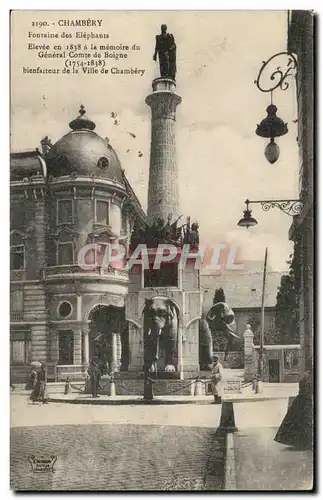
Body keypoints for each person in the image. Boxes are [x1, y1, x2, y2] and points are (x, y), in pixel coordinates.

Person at [274, 367, 313, 450]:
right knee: (305, 423)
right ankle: (306, 443)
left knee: (299, 423)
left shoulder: (306, 375)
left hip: (302, 401)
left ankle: (303, 442)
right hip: (306, 401)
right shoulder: (308, 376)